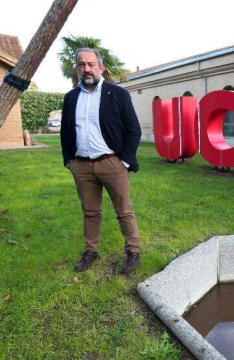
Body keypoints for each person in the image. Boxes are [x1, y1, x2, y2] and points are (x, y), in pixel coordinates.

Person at [60, 48, 142, 274]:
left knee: (124, 211)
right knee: (90, 211)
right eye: (81, 65)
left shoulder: (117, 94)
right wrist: (70, 161)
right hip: (82, 166)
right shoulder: (71, 98)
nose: (86, 69)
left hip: (112, 163)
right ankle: (91, 251)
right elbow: (66, 132)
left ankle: (133, 252)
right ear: (77, 68)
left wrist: (124, 161)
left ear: (101, 67)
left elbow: (133, 130)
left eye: (91, 64)